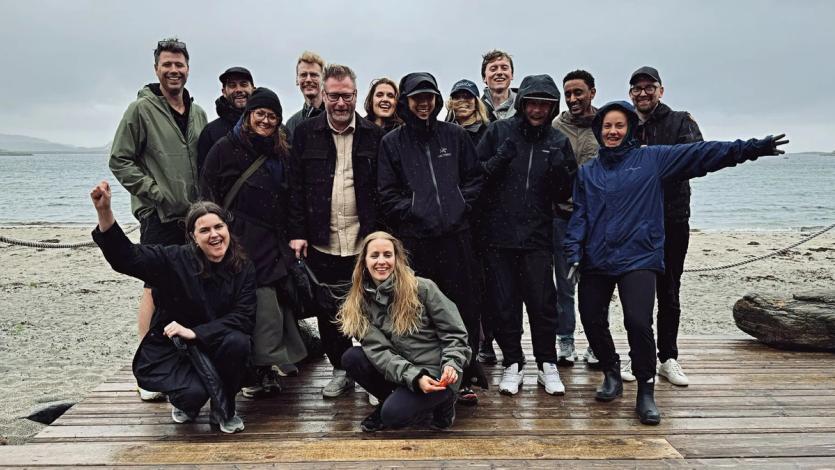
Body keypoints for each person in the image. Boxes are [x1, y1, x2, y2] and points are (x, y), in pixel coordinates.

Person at [564, 100, 787, 425]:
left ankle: (645, 390)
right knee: (590, 317)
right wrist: (573, 252)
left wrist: (754, 148)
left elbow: (704, 154)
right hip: (596, 258)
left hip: (639, 257)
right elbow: (580, 216)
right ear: (599, 130)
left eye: (619, 126)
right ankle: (611, 371)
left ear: (630, 130)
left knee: (639, 323)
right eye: (607, 126)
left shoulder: (652, 159)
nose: (612, 132)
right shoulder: (587, 172)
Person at [90, 181, 255, 433]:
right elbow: (127, 257)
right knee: (193, 395)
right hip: (175, 349)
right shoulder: (173, 259)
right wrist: (105, 212)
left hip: (217, 341)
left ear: (227, 228)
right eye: (204, 230)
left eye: (219, 227)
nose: (214, 235)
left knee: (239, 342)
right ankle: (185, 402)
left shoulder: (243, 266)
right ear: (192, 236)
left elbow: (244, 317)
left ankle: (226, 407)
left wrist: (198, 333)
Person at [378, 72, 487, 405]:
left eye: (429, 97)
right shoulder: (392, 143)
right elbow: (386, 194)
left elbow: (475, 179)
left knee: (463, 305)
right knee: (420, 309)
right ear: (405, 103)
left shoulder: (454, 136)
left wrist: (459, 205)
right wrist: (416, 210)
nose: (423, 104)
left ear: (438, 100)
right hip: (416, 241)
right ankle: (425, 372)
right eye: (416, 98)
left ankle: (464, 374)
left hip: (456, 237)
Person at [109, 37, 208, 401]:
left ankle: (183, 359)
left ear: (187, 68)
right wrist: (155, 192)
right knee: (154, 286)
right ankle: (147, 369)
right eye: (167, 65)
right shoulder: (140, 109)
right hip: (159, 216)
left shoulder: (197, 113)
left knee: (190, 287)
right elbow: (120, 160)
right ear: (156, 69)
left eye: (179, 64)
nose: (174, 70)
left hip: (194, 218)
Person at [200, 87, 307, 398]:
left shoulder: (282, 152)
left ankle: (267, 366)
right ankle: (252, 369)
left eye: (272, 116)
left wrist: (295, 233)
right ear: (249, 116)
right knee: (244, 304)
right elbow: (208, 195)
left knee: (272, 305)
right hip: (235, 239)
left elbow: (293, 197)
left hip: (272, 240)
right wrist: (213, 236)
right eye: (261, 114)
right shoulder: (223, 149)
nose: (266, 120)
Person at [475, 74, 577, 396]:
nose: (537, 110)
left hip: (537, 236)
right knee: (504, 304)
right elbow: (476, 178)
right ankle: (513, 364)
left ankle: (547, 365)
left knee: (542, 303)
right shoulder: (498, 132)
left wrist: (562, 170)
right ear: (522, 104)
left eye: (544, 105)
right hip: (499, 236)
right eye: (532, 103)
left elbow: (565, 192)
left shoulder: (558, 141)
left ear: (552, 107)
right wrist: (500, 159)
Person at [288, 64, 385, 399]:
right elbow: (295, 188)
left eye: (346, 95)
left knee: (372, 308)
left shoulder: (375, 135)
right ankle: (341, 369)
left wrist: (382, 236)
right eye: (334, 96)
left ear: (356, 96)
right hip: (322, 241)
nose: (340, 103)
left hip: (364, 242)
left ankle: (374, 370)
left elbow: (382, 189)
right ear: (324, 95)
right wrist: (298, 231)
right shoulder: (305, 133)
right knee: (329, 312)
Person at [620, 66, 704, 386]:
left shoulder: (681, 120)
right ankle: (639, 355)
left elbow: (693, 158)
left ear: (660, 90)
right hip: (634, 223)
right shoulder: (625, 124)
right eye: (636, 88)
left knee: (669, 291)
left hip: (672, 219)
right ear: (630, 93)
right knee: (637, 293)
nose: (643, 93)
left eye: (649, 87)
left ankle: (668, 357)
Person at [338, 231, 471, 432]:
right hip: (404, 371)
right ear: (364, 261)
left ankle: (445, 401)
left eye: (387, 255)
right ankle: (395, 399)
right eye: (374, 256)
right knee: (352, 357)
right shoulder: (358, 303)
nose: (381, 261)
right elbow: (379, 352)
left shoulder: (423, 288)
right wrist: (415, 378)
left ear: (397, 259)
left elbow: (455, 333)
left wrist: (451, 363)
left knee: (392, 416)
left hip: (437, 371)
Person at [551, 69, 600, 368]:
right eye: (568, 94)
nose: (572, 99)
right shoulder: (557, 126)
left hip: (596, 218)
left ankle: (596, 342)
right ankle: (565, 339)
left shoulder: (605, 124)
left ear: (592, 92)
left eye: (578, 92)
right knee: (564, 283)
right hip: (563, 216)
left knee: (596, 283)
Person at [196, 67, 255, 174]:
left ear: (253, 89)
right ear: (224, 92)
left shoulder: (270, 128)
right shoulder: (210, 132)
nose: (239, 90)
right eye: (232, 85)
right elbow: (204, 178)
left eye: (244, 84)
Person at [285, 51, 326, 140]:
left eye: (314, 75)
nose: (308, 79)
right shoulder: (291, 124)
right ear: (297, 80)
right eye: (303, 75)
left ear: (323, 79)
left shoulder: (335, 117)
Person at [445, 79, 491, 145]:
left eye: (467, 96)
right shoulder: (442, 131)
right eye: (457, 97)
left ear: (476, 103)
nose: (462, 100)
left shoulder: (488, 131)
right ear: (451, 103)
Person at [480, 50, 517, 122]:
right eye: (493, 69)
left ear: (512, 75)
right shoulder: (476, 110)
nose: (499, 72)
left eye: (504, 68)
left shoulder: (524, 107)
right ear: (484, 78)